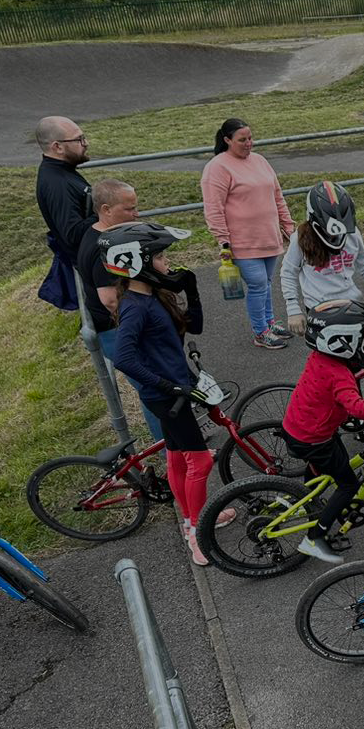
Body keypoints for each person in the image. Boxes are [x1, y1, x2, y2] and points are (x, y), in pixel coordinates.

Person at [100, 222, 214, 565]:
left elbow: (194, 326)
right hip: (167, 397)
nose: (168, 262)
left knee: (177, 458)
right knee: (201, 461)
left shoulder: (155, 296)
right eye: (161, 257)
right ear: (139, 263)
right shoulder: (135, 306)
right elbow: (123, 358)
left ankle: (189, 520)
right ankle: (198, 532)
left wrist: (191, 290)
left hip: (174, 389)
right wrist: (167, 386)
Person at [280, 299, 364, 564]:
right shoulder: (339, 375)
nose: (361, 341)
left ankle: (303, 499)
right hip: (314, 438)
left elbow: (359, 356)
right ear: (342, 341)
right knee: (348, 484)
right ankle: (314, 538)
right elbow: (356, 407)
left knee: (322, 469)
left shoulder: (322, 356)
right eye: (359, 337)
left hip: (301, 427)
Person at [76, 179, 165, 440]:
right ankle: (174, 450)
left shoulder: (100, 235)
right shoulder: (103, 247)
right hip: (118, 330)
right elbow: (110, 299)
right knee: (154, 390)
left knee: (155, 388)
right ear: (106, 209)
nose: (136, 214)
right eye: (129, 209)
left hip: (119, 328)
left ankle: (178, 446)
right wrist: (147, 322)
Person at [201, 118, 296, 350]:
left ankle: (269, 323)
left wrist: (288, 226)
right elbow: (214, 208)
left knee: (267, 283)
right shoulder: (218, 167)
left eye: (250, 138)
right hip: (241, 241)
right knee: (258, 285)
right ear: (227, 140)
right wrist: (223, 241)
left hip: (268, 236)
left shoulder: (260, 161)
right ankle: (260, 331)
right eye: (242, 140)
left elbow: (277, 196)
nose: (248, 144)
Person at [280, 180, 364, 337]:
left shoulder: (352, 234)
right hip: (320, 309)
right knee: (326, 353)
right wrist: (293, 310)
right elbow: (288, 273)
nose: (336, 233)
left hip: (350, 306)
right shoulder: (301, 238)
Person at [35, 116, 95, 258]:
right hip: (87, 264)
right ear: (58, 147)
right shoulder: (57, 184)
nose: (86, 143)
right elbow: (73, 235)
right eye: (79, 139)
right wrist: (106, 212)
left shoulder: (62, 172)